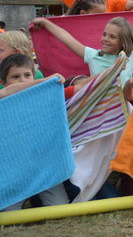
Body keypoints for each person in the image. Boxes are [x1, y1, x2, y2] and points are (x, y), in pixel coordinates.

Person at [31, 8, 133, 87]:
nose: (105, 39)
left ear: (123, 42)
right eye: (104, 34)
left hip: (123, 110)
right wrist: (46, 23)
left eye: (112, 37)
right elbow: (66, 38)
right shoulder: (93, 56)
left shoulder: (130, 57)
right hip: (99, 110)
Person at [0, 54, 69, 211]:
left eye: (27, 75)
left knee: (60, 208)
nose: (23, 80)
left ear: (33, 75)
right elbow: (6, 93)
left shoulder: (44, 98)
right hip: (14, 171)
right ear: (3, 83)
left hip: (44, 166)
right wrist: (42, 81)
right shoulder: (3, 102)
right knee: (8, 214)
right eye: (15, 77)